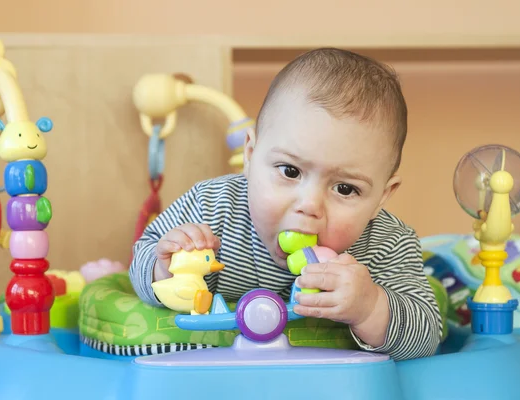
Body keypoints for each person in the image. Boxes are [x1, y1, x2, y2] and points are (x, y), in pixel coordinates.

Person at [130, 48, 442, 361]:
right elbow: (140, 261)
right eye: (290, 171)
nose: (309, 205)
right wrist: (166, 267)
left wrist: (372, 307)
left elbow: (427, 336)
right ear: (251, 155)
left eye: (345, 188)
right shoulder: (212, 206)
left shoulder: (386, 242)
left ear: (382, 198)